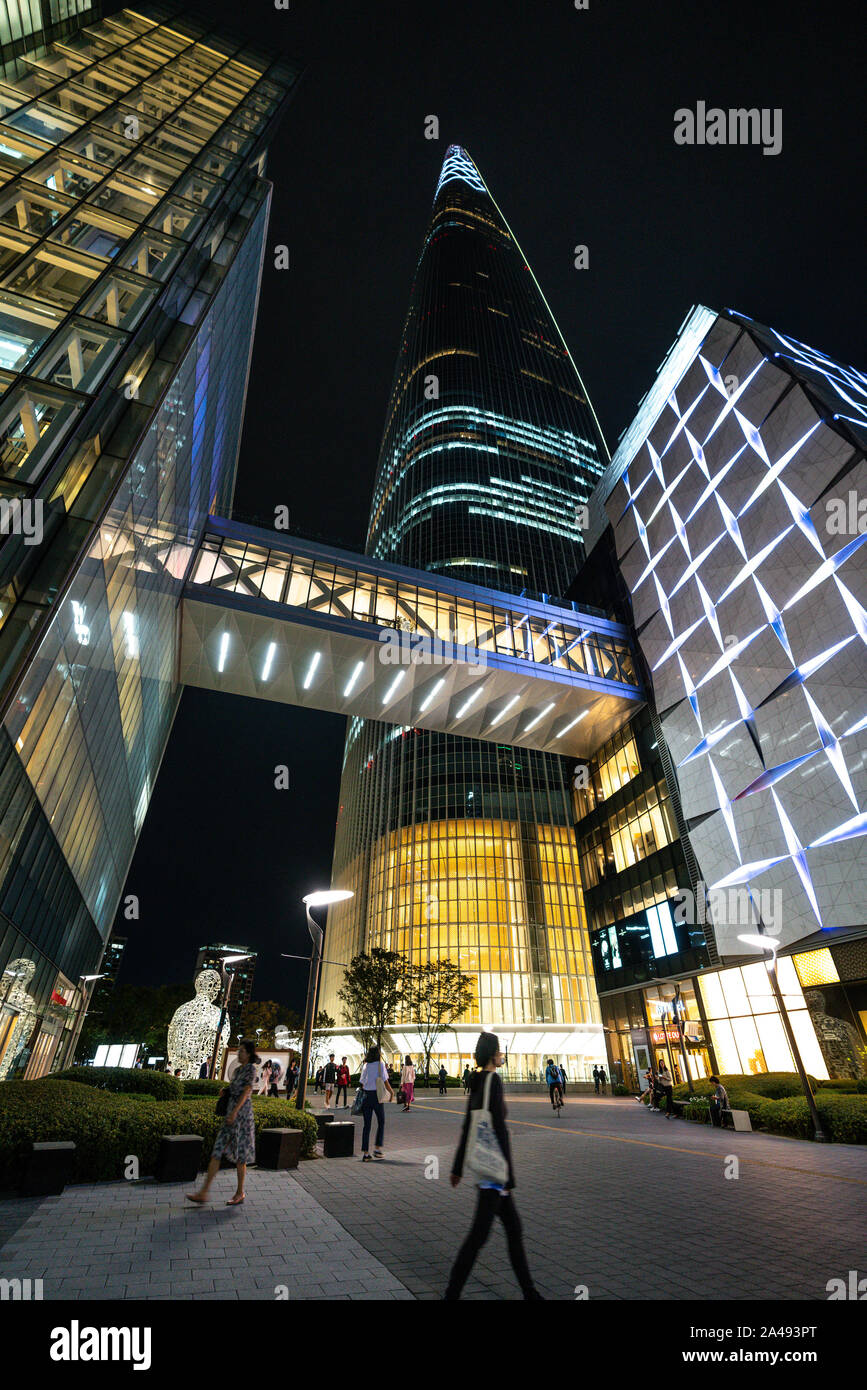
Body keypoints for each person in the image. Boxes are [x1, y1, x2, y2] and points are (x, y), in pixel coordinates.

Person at [445, 1032, 542, 1301]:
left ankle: (530, 1292)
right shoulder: (494, 1081)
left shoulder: (476, 1082)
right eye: (499, 1051)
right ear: (492, 1055)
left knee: (513, 1230)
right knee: (478, 1237)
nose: (502, 1055)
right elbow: (498, 1128)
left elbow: (469, 1125)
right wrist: (507, 1177)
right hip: (494, 1172)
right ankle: (451, 1294)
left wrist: (458, 1167)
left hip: (485, 1166)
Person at [186, 1039, 259, 1206]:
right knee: (217, 1151)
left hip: (241, 1117)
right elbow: (235, 1089)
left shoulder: (250, 1070)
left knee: (241, 1156)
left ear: (248, 1054)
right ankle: (203, 1192)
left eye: (241, 1051)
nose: (239, 1053)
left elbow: (247, 1092)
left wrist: (234, 1112)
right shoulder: (238, 1069)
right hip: (230, 1115)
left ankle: (240, 1192)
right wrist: (225, 1091)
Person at [359, 1044, 394, 1160]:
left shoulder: (366, 1065)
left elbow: (362, 1082)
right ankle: (377, 1149)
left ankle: (365, 1154)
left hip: (366, 1096)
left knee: (367, 1125)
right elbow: (385, 1081)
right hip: (377, 1096)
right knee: (381, 1121)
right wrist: (392, 1092)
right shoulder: (381, 1065)